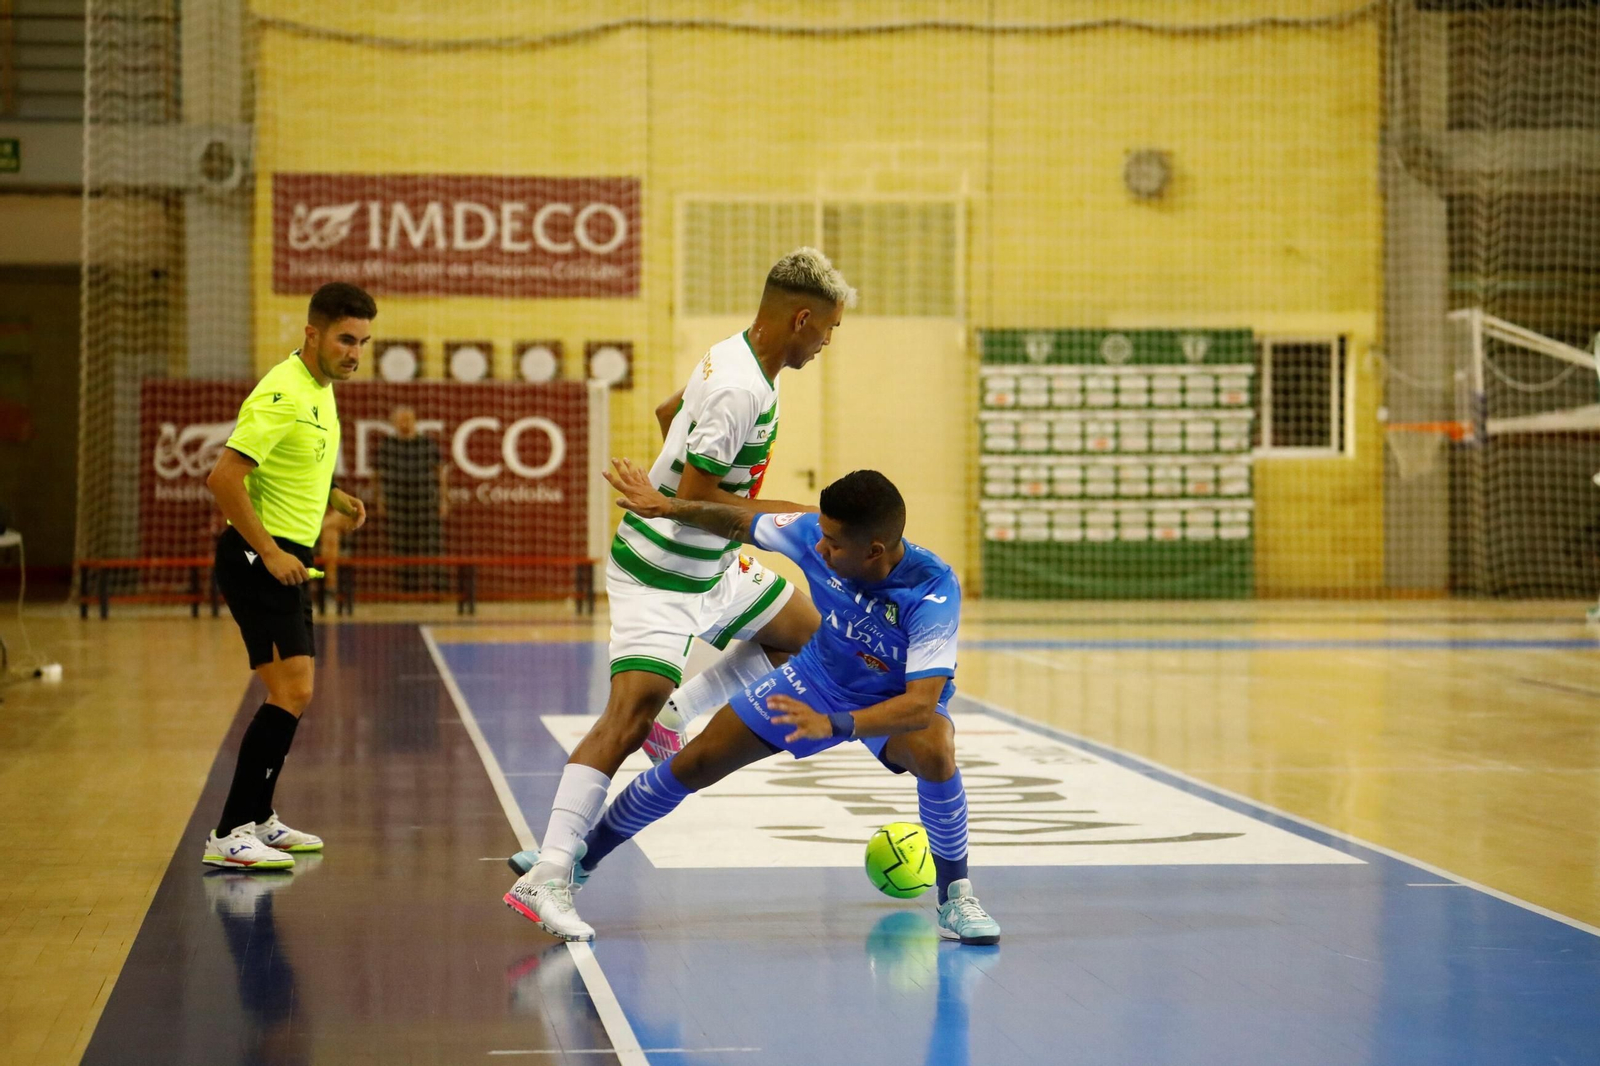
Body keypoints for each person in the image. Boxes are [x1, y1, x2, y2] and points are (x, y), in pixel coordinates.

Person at [507, 460, 1002, 947]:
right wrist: (667, 507)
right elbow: (739, 521)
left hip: (889, 702)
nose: (820, 547)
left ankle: (955, 895)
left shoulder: (932, 591)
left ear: (874, 551)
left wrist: (835, 724)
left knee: (935, 749)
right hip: (816, 678)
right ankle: (578, 862)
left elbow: (919, 705)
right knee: (694, 763)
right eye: (822, 536)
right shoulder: (816, 534)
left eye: (833, 544)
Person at [506, 249, 853, 937]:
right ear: (802, 318)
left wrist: (673, 485)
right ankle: (547, 876)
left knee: (811, 640)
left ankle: (681, 712)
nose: (828, 342)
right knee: (624, 718)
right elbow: (693, 501)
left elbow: (670, 414)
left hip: (712, 566)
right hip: (661, 574)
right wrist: (800, 517)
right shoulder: (741, 389)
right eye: (829, 329)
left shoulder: (739, 358)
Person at [202, 282, 374, 870]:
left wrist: (336, 497)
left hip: (289, 560)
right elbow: (224, 478)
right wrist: (271, 551)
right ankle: (229, 833)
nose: (354, 352)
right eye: (345, 339)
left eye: (363, 342)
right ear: (313, 333)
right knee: (292, 690)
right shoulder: (283, 392)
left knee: (295, 692)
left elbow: (293, 465)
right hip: (258, 560)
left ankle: (259, 818)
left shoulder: (320, 390)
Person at [373, 405, 448, 592]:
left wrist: (444, 499)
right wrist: (379, 500)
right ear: (394, 423)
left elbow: (441, 473)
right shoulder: (387, 445)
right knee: (400, 546)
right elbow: (376, 476)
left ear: (415, 421)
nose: (404, 423)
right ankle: (405, 589)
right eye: (401, 420)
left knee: (429, 545)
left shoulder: (427, 443)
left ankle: (434, 588)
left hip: (424, 502)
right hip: (397, 503)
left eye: (408, 419)